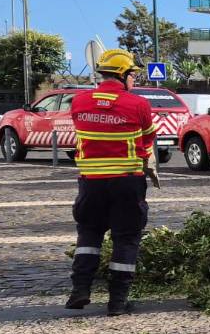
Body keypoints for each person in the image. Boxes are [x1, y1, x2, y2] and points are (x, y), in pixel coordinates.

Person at [65, 49, 161, 316]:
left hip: (90, 183)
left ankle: (80, 290)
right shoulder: (138, 104)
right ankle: (117, 301)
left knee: (89, 234)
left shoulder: (79, 102)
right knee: (126, 238)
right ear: (122, 74)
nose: (134, 79)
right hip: (127, 182)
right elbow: (147, 139)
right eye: (132, 75)